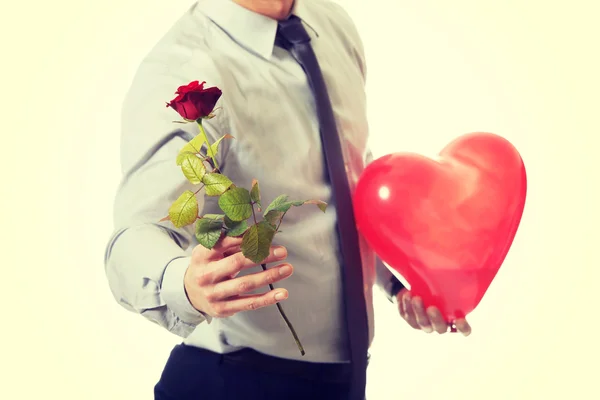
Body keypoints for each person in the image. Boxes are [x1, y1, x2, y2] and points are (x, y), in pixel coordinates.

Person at [104, 0, 472, 399]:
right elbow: (134, 233)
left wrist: (404, 281)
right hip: (235, 383)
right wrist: (184, 284)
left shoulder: (331, 23)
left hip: (344, 383)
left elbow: (347, 176)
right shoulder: (184, 70)